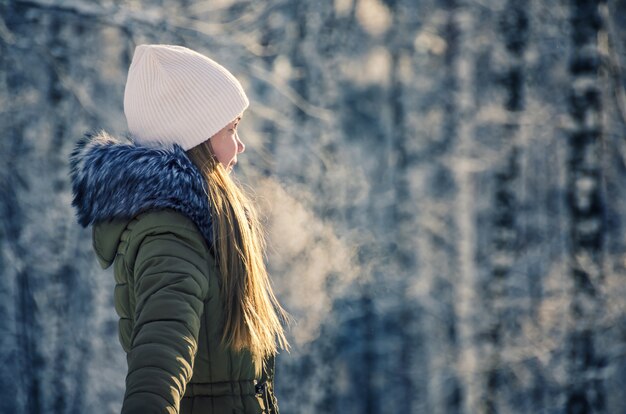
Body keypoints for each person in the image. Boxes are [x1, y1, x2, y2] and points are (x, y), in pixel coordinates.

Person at [70, 44, 289, 414]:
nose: (241, 144)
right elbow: (157, 367)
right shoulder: (169, 238)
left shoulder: (206, 223)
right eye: (230, 129)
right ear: (196, 137)